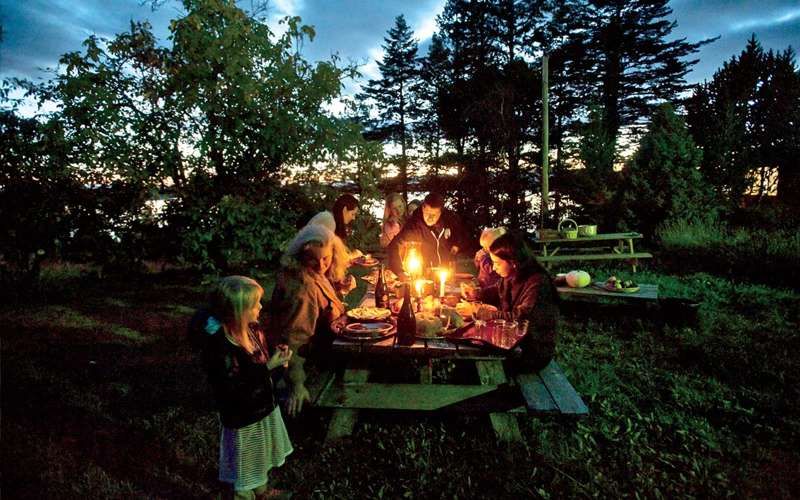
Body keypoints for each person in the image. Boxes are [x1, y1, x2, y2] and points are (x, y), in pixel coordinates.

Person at [189, 276, 294, 500]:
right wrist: (267, 367)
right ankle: (243, 494)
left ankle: (262, 490)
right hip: (243, 416)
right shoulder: (221, 348)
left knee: (260, 455)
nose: (261, 307)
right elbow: (233, 386)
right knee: (245, 462)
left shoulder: (253, 331)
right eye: (255, 304)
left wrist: (277, 362)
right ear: (238, 311)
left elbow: (260, 365)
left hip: (263, 407)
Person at [268, 224, 346, 417]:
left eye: (326, 258)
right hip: (317, 357)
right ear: (300, 256)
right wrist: (297, 384)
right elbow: (293, 339)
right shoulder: (303, 288)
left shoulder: (314, 275)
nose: (321, 265)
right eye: (313, 259)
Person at [467, 232, 559, 372]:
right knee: (470, 345)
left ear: (514, 262)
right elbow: (497, 291)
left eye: (497, 263)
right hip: (510, 340)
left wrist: (480, 312)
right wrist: (476, 293)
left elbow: (520, 317)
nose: (494, 267)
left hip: (530, 351)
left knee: (471, 363)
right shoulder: (510, 275)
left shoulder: (537, 282)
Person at [386, 192, 467, 278]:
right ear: (423, 208)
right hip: (423, 276)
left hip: (445, 274)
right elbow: (394, 246)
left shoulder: (449, 219)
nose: (430, 218)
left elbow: (462, 234)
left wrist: (457, 245)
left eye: (434, 215)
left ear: (440, 212)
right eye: (427, 213)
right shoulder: (414, 226)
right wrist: (399, 272)